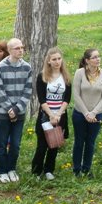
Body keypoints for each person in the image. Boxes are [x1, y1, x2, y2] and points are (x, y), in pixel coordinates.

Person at [0, 38, 33, 183]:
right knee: (2, 143)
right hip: (2, 112)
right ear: (9, 51)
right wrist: (9, 108)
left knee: (15, 144)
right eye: (17, 48)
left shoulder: (27, 67)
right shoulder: (1, 67)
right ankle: (2, 170)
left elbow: (28, 90)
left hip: (19, 112)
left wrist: (17, 108)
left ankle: (11, 168)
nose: (21, 50)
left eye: (22, 47)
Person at [31, 47, 71, 180]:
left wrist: (59, 114)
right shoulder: (42, 76)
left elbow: (67, 98)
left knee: (54, 144)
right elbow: (41, 99)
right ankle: (36, 171)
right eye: (54, 59)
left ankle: (49, 169)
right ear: (48, 61)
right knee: (42, 145)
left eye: (59, 59)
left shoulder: (65, 76)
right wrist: (51, 115)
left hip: (60, 115)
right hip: (45, 115)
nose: (57, 62)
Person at [72, 49, 102, 178]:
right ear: (87, 60)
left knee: (90, 142)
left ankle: (86, 169)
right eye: (94, 57)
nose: (98, 59)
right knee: (79, 141)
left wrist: (93, 113)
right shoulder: (79, 73)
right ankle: (76, 169)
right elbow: (76, 95)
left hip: (97, 115)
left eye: (98, 57)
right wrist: (86, 113)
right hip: (79, 114)